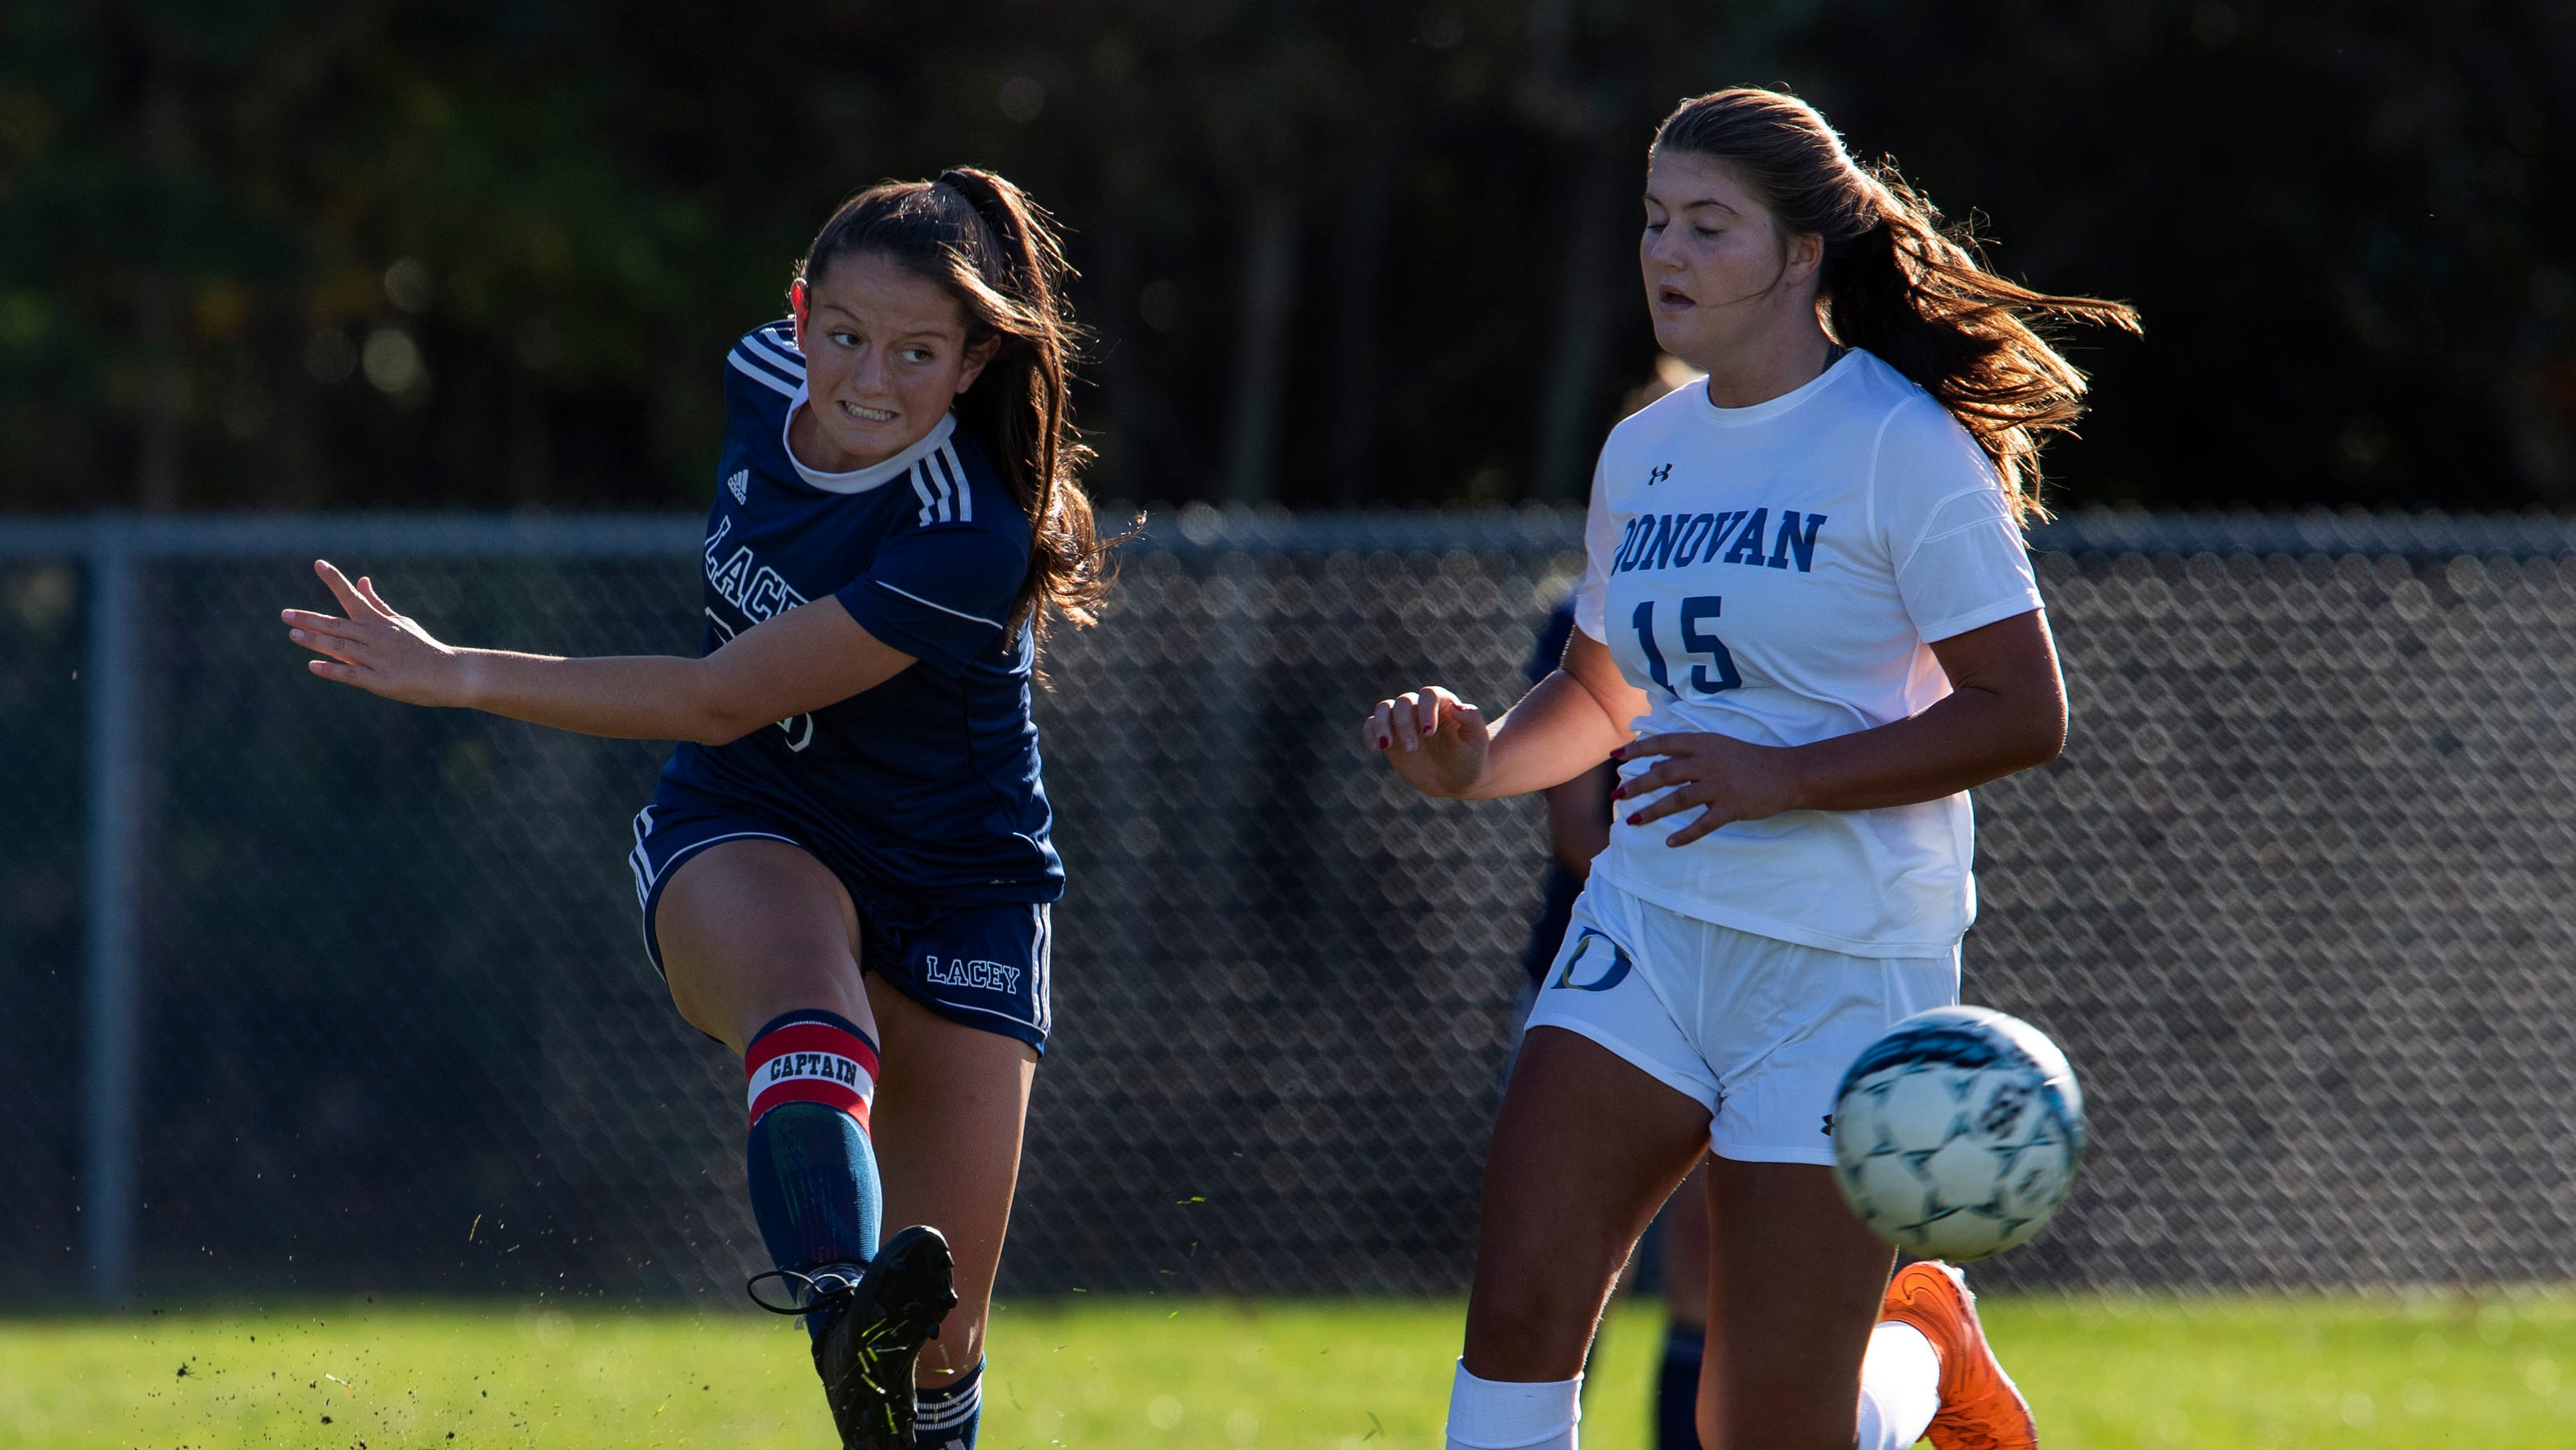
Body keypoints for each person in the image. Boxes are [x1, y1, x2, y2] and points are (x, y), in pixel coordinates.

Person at [281, 168, 1116, 1450]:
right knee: (812, 1013)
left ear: (972, 364)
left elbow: (719, 694)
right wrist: (454, 672)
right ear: (798, 315)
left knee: (942, 1349)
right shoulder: (759, 374)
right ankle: (836, 1308)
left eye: (916, 352)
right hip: (762, 810)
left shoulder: (969, 533)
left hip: (964, 882)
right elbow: (733, 732)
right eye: (845, 334)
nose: (870, 380)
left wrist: (460, 671)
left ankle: (882, 1368)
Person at [1364, 87, 2137, 1450]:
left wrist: (1783, 777)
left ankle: (1922, 1349)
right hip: (1647, 929)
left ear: (1799, 255)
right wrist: (1477, 761)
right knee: (1518, 1319)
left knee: (1762, 1426)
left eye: (1708, 225)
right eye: (1655, 220)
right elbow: (1599, 692)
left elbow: (2025, 712)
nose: (1666, 252)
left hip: (1843, 967)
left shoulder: (1902, 444)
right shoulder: (1645, 451)